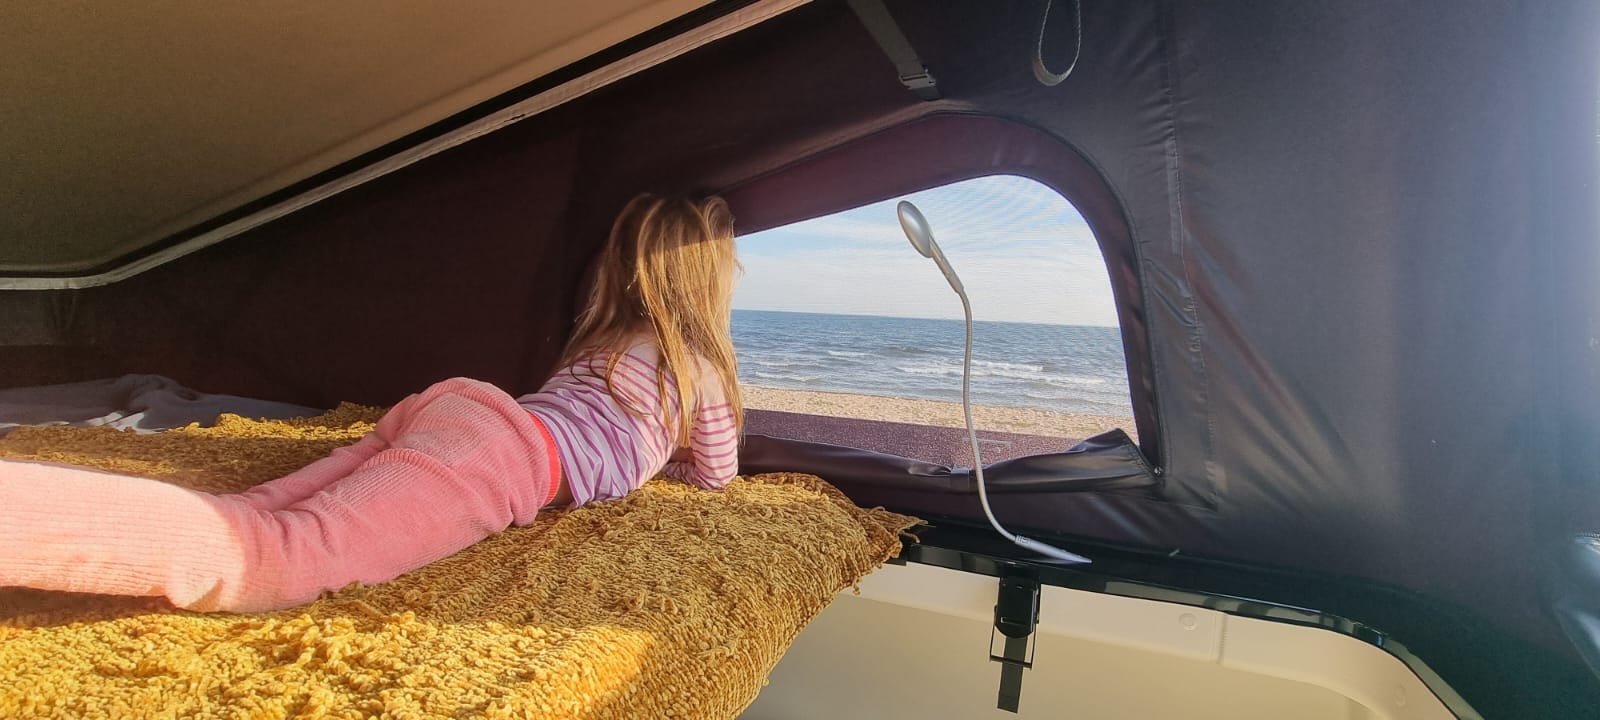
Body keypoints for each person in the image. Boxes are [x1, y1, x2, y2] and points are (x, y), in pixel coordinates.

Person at [0, 193, 743, 613]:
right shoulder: (701, 367)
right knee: (265, 560)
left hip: (463, 408)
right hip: (504, 457)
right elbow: (716, 473)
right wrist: (664, 460)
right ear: (716, 285)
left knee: (259, 511)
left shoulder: (602, 341)